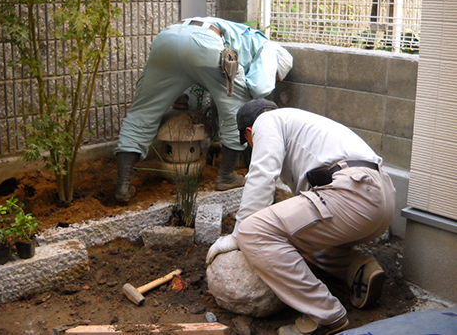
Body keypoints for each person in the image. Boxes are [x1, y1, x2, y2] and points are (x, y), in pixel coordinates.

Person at [206, 99, 396, 335]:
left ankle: (325, 314)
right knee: (293, 240)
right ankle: (357, 269)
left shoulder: (266, 121)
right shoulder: (300, 125)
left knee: (253, 232)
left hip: (352, 194)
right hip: (379, 198)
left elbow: (262, 173)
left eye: (250, 143)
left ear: (249, 132)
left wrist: (237, 234)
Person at [114, 17, 294, 201]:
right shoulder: (271, 50)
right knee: (238, 110)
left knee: (142, 113)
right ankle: (226, 176)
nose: (275, 81)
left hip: (167, 38)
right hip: (204, 44)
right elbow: (259, 88)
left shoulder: (244, 37)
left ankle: (123, 184)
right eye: (276, 77)